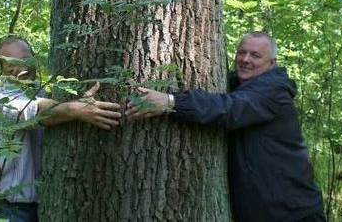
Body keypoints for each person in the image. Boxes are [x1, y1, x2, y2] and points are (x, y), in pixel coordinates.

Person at [127, 31, 325, 222]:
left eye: (255, 55)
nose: (245, 59)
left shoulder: (274, 92)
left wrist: (170, 101)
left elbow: (228, 109)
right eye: (241, 52)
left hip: (293, 213)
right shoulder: (235, 84)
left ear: (272, 63)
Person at [0, 36, 122, 222]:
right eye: (11, 63)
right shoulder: (1, 98)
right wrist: (77, 108)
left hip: (45, 206)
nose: (20, 68)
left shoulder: (41, 92)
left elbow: (48, 106)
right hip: (13, 211)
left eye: (25, 58)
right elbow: (38, 111)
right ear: (2, 69)